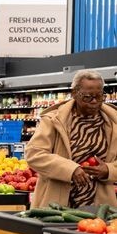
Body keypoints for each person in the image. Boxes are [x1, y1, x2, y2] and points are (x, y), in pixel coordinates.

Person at [27, 69, 117, 208]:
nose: (94, 101)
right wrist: (70, 169)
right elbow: (34, 154)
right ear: (74, 93)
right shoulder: (54, 120)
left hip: (100, 205)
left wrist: (109, 170)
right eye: (87, 97)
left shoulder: (113, 122)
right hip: (57, 203)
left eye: (99, 96)